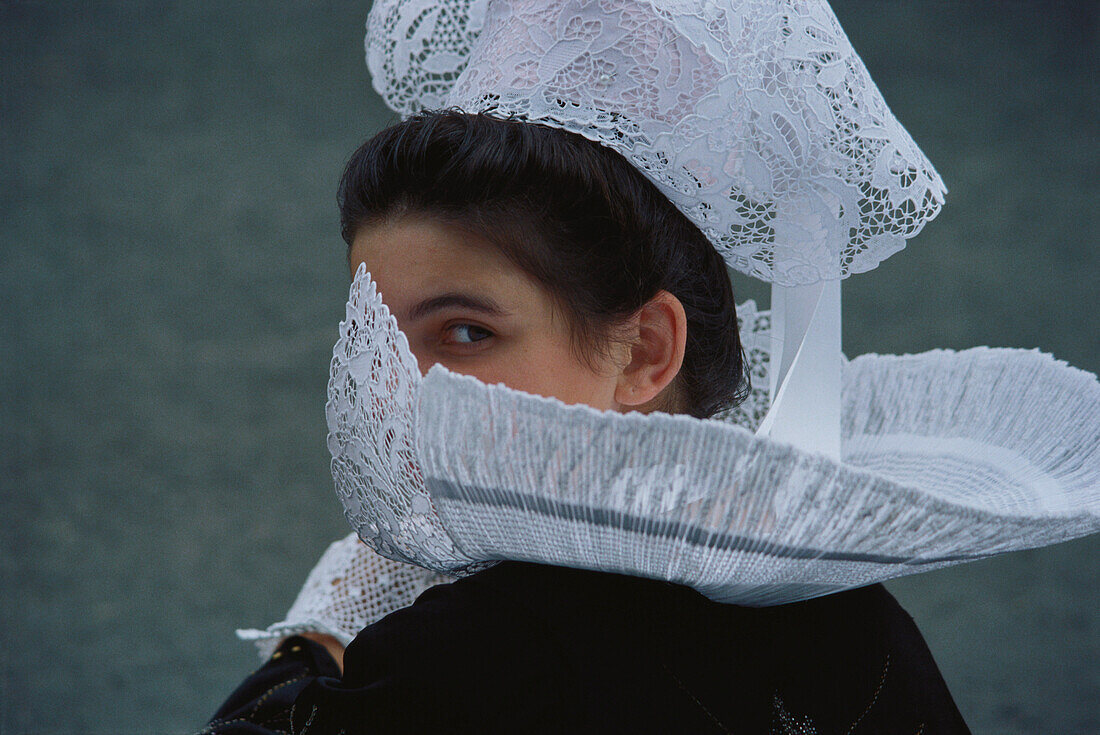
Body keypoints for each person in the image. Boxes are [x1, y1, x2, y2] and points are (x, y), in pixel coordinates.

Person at [201, 110, 970, 734]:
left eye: (466, 332)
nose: (385, 392)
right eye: (372, 337)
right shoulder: (841, 603)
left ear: (645, 350)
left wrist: (320, 633)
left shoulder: (465, 652)